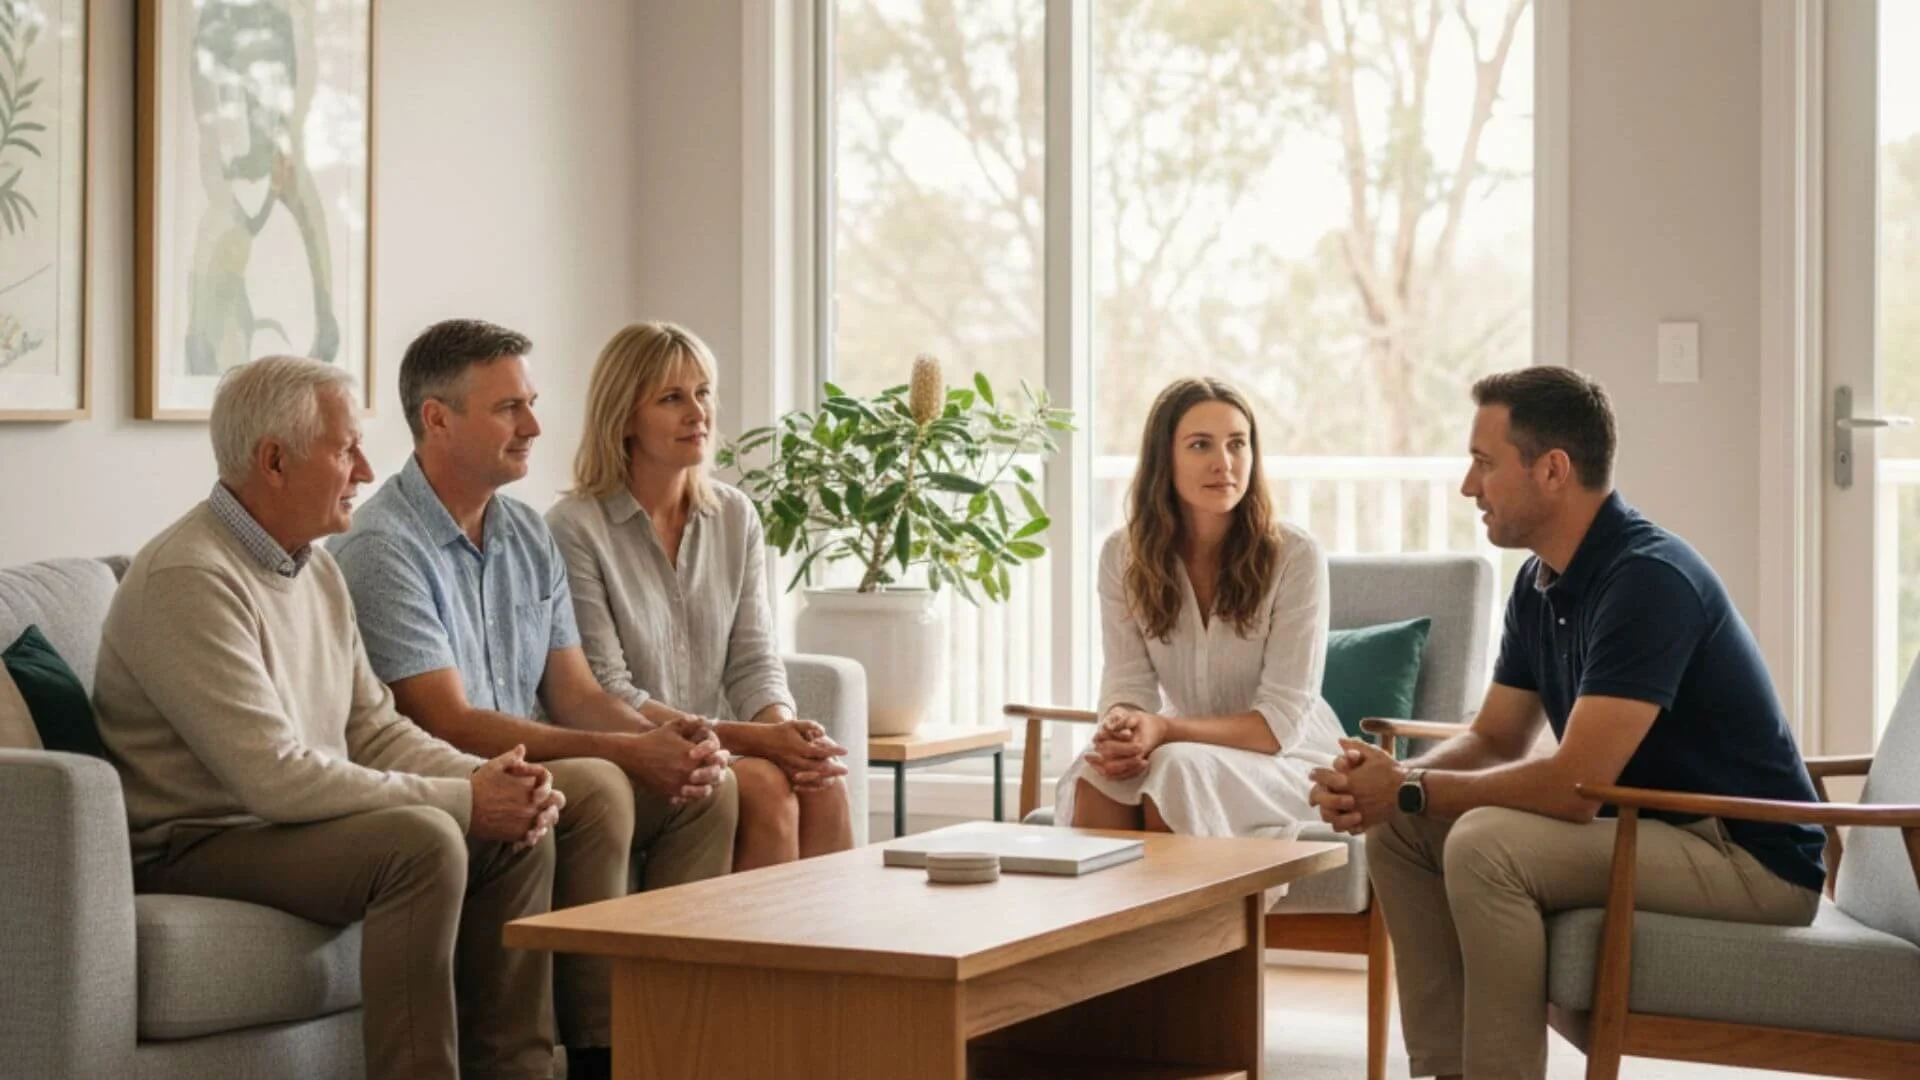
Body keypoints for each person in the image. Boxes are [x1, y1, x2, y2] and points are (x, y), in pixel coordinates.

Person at [1310, 366, 1825, 1080]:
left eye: (1484, 464)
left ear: (1553, 469)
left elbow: (1573, 785)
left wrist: (1409, 786)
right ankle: (1447, 1069)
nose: (1468, 486)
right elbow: (1495, 737)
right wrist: (1394, 788)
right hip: (1656, 826)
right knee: (1399, 828)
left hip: (1744, 855)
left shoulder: (1647, 579)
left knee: (1487, 843)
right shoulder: (1540, 581)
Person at [94, 356, 563, 1080]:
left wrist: (488, 780)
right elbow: (273, 778)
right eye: (346, 449)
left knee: (515, 831)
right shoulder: (190, 578)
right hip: (200, 840)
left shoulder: (313, 566)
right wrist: (465, 800)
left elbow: (373, 729)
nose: (368, 470)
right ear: (275, 462)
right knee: (425, 839)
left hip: (286, 825)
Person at [332, 320, 735, 1080]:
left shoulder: (522, 531)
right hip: (450, 777)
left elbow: (575, 692)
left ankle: (678, 1043)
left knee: (703, 790)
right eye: (508, 409)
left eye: (531, 403)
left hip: (540, 764)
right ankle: (600, 1052)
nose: (534, 427)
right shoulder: (383, 547)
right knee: (599, 787)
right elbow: (445, 722)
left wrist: (667, 741)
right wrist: (626, 750)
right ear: (437, 419)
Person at [547, 322, 853, 871]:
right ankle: (758, 960)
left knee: (822, 780)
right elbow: (610, 691)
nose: (698, 413)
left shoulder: (735, 515)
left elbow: (753, 660)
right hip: (637, 753)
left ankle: (843, 959)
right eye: (671, 398)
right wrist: (757, 741)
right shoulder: (574, 527)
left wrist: (784, 730)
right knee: (763, 783)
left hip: (720, 744)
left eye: (703, 392)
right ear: (624, 418)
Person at [1059, 376, 1345, 841]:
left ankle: (1186, 917)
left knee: (1174, 771)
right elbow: (1127, 682)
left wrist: (1164, 730)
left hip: (1290, 766)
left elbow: (1280, 726)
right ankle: (1118, 917)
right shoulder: (1122, 555)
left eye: (1238, 444)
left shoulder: (1294, 555)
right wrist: (1123, 729)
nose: (1224, 463)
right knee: (1099, 774)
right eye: (1200, 445)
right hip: (1183, 750)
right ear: (1163, 459)